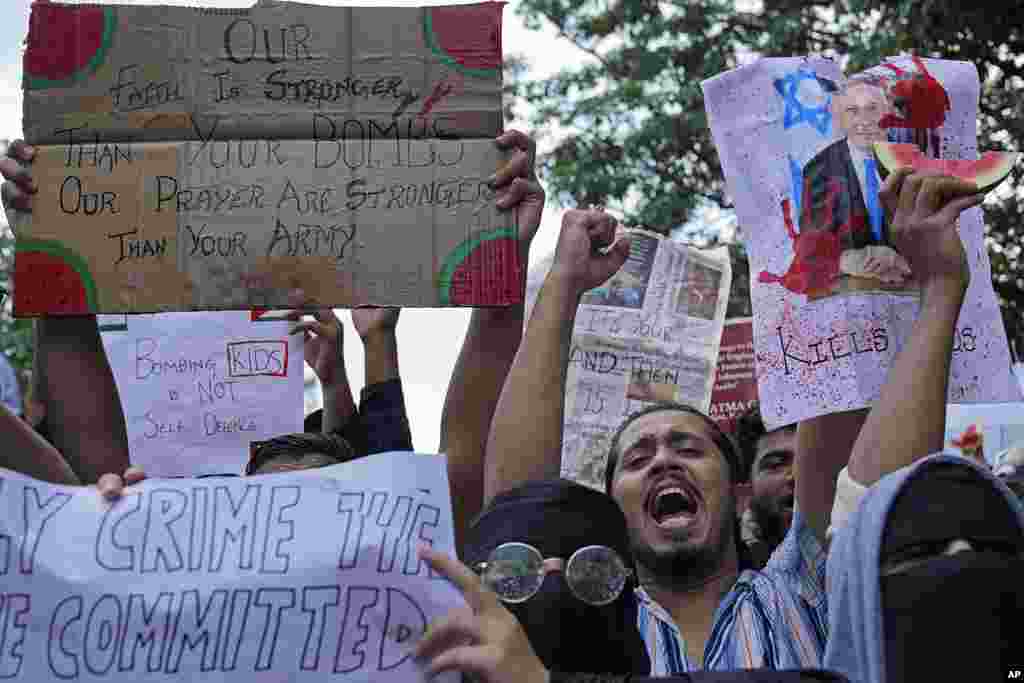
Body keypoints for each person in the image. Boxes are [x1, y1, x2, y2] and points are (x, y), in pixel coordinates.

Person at [480, 166, 984, 673]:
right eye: (637, 458)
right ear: (613, 507)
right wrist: (565, 282)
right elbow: (519, 517)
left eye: (689, 448)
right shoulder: (582, 619)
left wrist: (941, 288)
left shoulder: (807, 593)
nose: (662, 461)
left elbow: (874, 501)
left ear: (738, 490)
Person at [800, 78, 912, 291]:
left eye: (872, 108)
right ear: (840, 119)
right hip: (850, 296)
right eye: (853, 111)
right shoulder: (818, 170)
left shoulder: (913, 160)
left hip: (913, 289)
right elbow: (811, 249)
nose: (864, 120)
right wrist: (852, 260)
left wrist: (899, 260)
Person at [734, 406, 796, 566]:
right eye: (776, 464)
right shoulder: (726, 561)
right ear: (747, 487)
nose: (796, 475)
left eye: (808, 460)